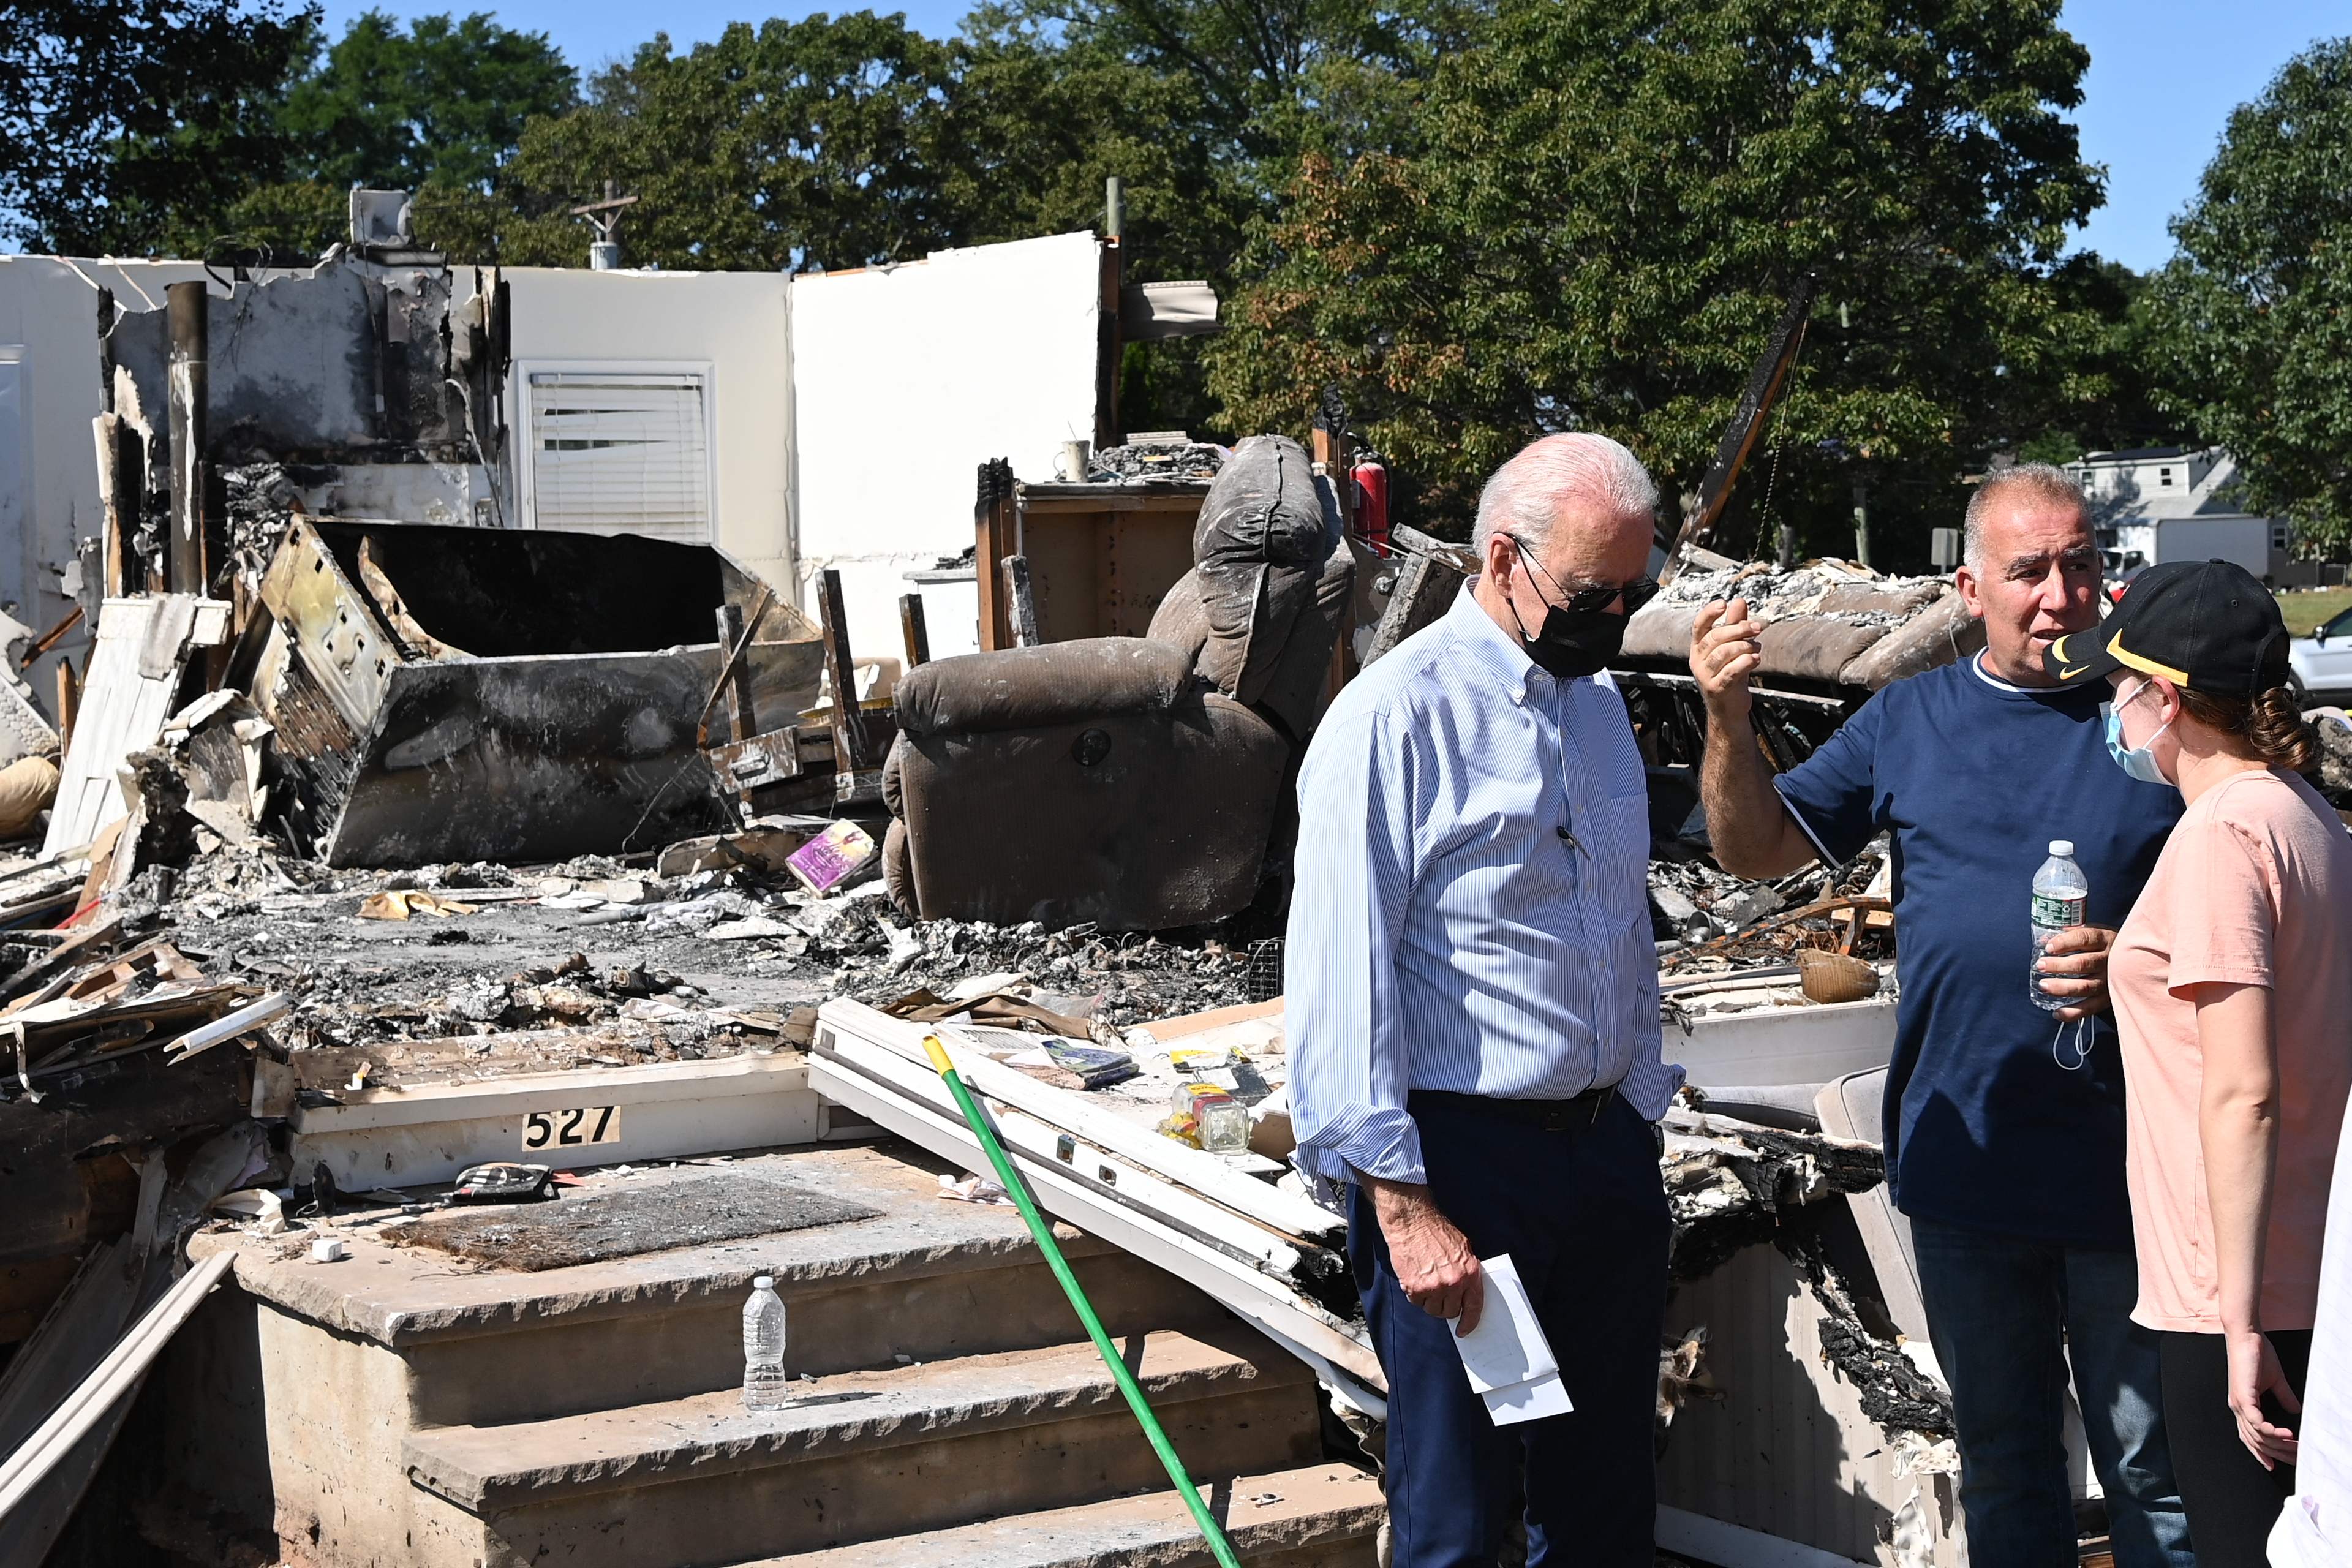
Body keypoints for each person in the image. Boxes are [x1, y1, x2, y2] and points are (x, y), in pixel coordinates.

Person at [1690, 463, 2195, 1568]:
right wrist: (1727, 718)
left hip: (2136, 1176)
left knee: (2153, 1472)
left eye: (2080, 564)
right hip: (1968, 1172)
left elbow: (2257, 898)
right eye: (2029, 572)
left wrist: (2145, 960)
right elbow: (1756, 849)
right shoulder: (1908, 718)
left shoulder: (2162, 718)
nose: (2060, 595)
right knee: (2007, 1466)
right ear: (1970, 587)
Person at [1287, 432, 1681, 1567]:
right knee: (1458, 1518)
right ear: (1503, 560)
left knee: (1606, 1510)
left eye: (1633, 592)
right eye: (1596, 594)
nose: (1615, 619)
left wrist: (1640, 1109)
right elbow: (1338, 977)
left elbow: (1615, 925)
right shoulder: (1394, 718)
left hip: (1603, 1157)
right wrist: (1402, 1209)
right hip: (1462, 1169)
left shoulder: (1597, 710)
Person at [2040, 559, 2352, 1567]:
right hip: (2311, 1267)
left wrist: (2238, 1325)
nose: (2113, 716)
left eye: (2118, 692)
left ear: (2165, 700)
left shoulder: (2222, 834)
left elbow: (2244, 1091)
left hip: (2246, 1290)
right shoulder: (2305, 813)